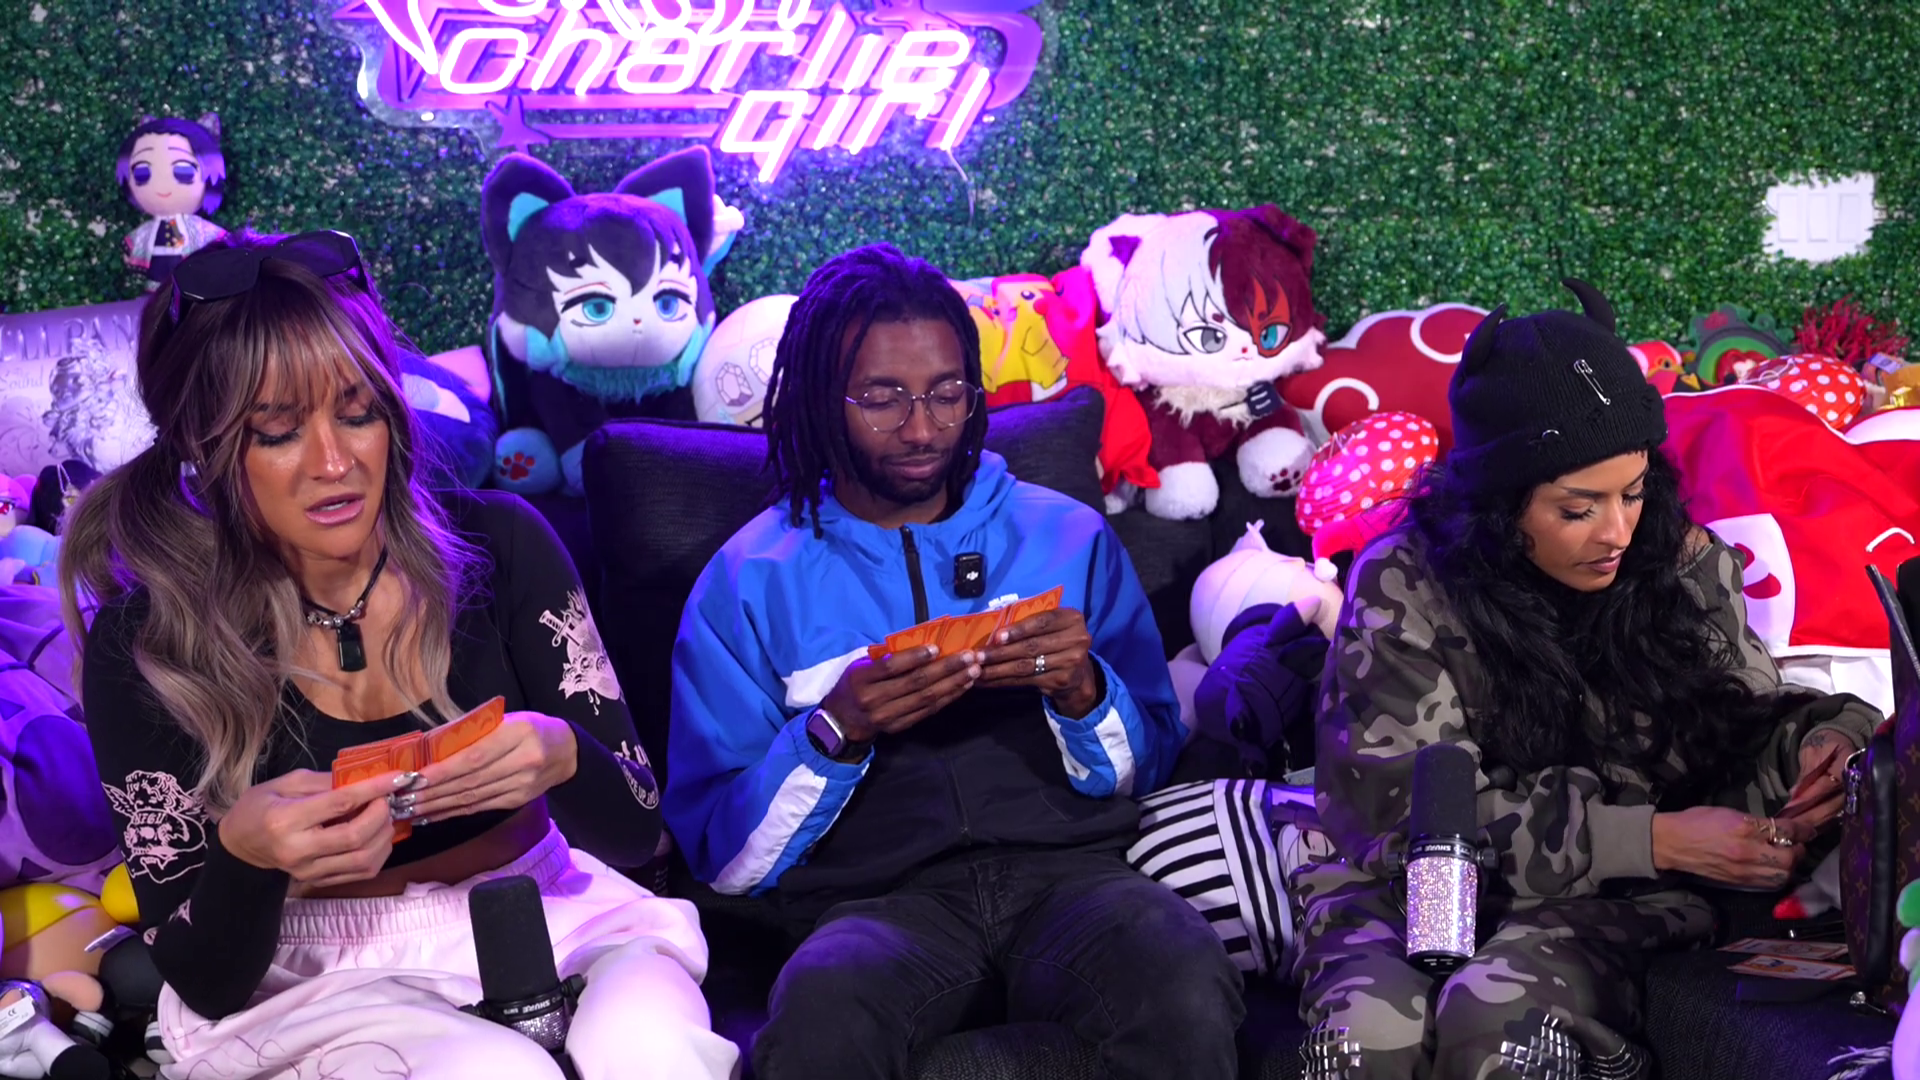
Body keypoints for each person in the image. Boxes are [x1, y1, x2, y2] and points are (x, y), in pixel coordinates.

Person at [61, 230, 739, 1080]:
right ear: (204, 445)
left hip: (560, 915)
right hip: (318, 980)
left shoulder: (501, 543)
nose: (334, 463)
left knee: (651, 1054)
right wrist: (245, 855)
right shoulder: (146, 644)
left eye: (358, 413)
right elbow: (203, 977)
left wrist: (564, 756)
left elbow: (639, 834)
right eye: (278, 431)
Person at [665, 244, 1245, 1080]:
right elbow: (722, 858)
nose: (922, 428)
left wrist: (1083, 691)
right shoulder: (749, 580)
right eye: (882, 398)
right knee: (820, 1019)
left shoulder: (1067, 534)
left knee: (1181, 973)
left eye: (946, 393)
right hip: (874, 906)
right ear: (821, 400)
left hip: (1075, 878)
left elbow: (1151, 766)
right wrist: (836, 730)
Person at [1291, 279, 1882, 1080]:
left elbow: (1740, 724)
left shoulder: (1680, 562)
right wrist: (1649, 836)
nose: (1617, 532)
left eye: (1633, 494)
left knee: (1500, 1030)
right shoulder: (1405, 581)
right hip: (1410, 886)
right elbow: (1403, 813)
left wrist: (1830, 740)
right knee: (1366, 1046)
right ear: (1498, 506)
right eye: (1577, 509)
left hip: (1615, 898)